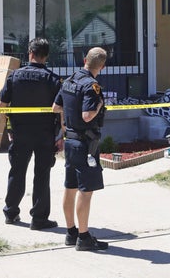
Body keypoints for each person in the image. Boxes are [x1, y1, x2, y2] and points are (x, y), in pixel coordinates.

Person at [0, 38, 63, 231]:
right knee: (42, 175)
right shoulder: (53, 79)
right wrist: (60, 136)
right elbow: (60, 110)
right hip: (45, 134)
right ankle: (39, 219)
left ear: (30, 53)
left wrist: (9, 128)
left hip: (20, 133)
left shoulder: (14, 76)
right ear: (46, 56)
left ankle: (11, 212)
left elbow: (2, 106)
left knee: (17, 172)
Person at [52, 47, 109, 251]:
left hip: (70, 141)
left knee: (70, 187)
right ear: (101, 66)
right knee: (86, 191)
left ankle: (71, 232)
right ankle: (84, 238)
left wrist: (69, 118)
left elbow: (55, 107)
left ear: (85, 60)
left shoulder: (69, 81)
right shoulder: (91, 86)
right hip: (86, 144)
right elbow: (87, 115)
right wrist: (99, 105)